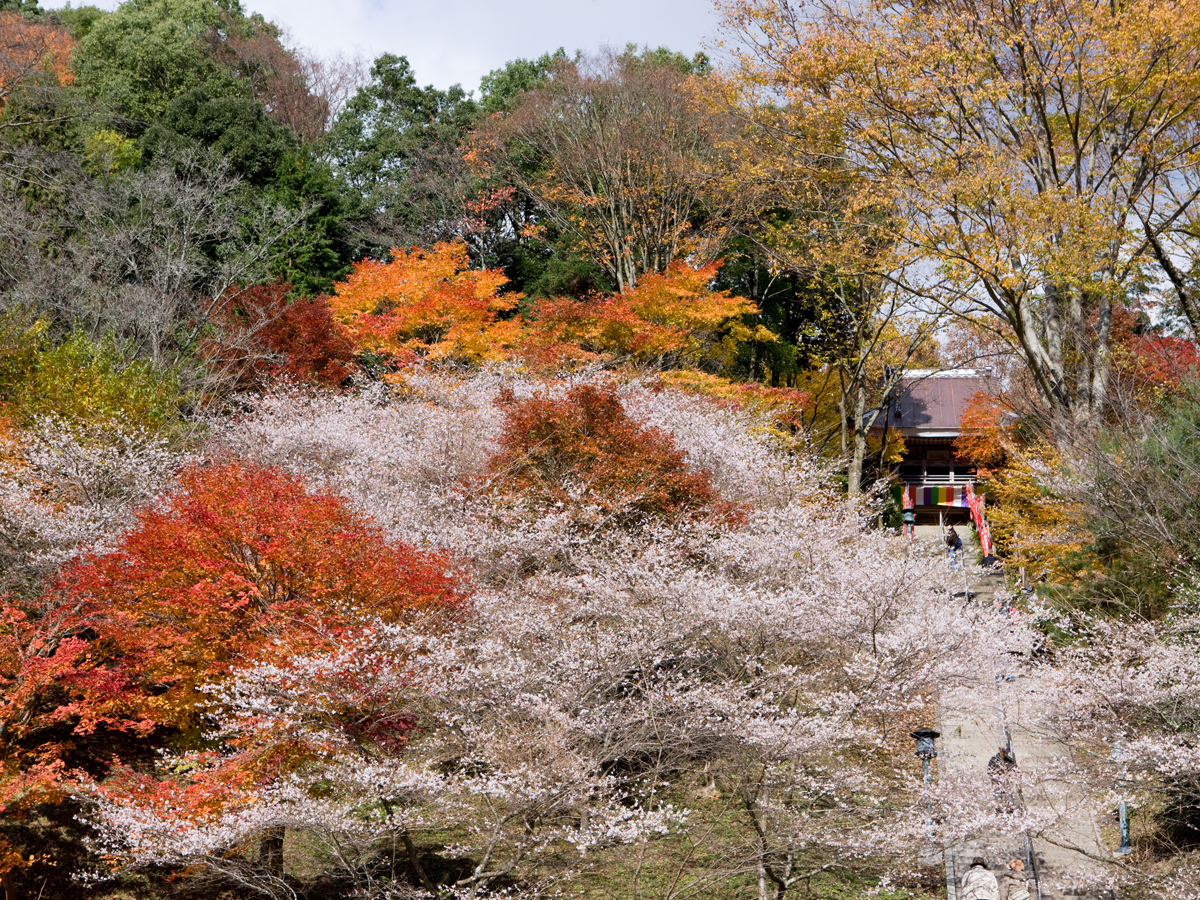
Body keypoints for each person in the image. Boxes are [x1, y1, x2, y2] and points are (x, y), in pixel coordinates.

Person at [988, 746, 1019, 812]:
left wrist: (1008, 772)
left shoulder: (1010, 761)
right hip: (997, 783)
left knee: (1010, 798)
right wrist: (999, 770)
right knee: (997, 798)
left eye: (1006, 752)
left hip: (1007, 784)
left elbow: (1016, 771)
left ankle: (1010, 811)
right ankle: (998, 811)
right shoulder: (994, 760)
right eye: (1003, 752)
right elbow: (989, 771)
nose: (1005, 754)